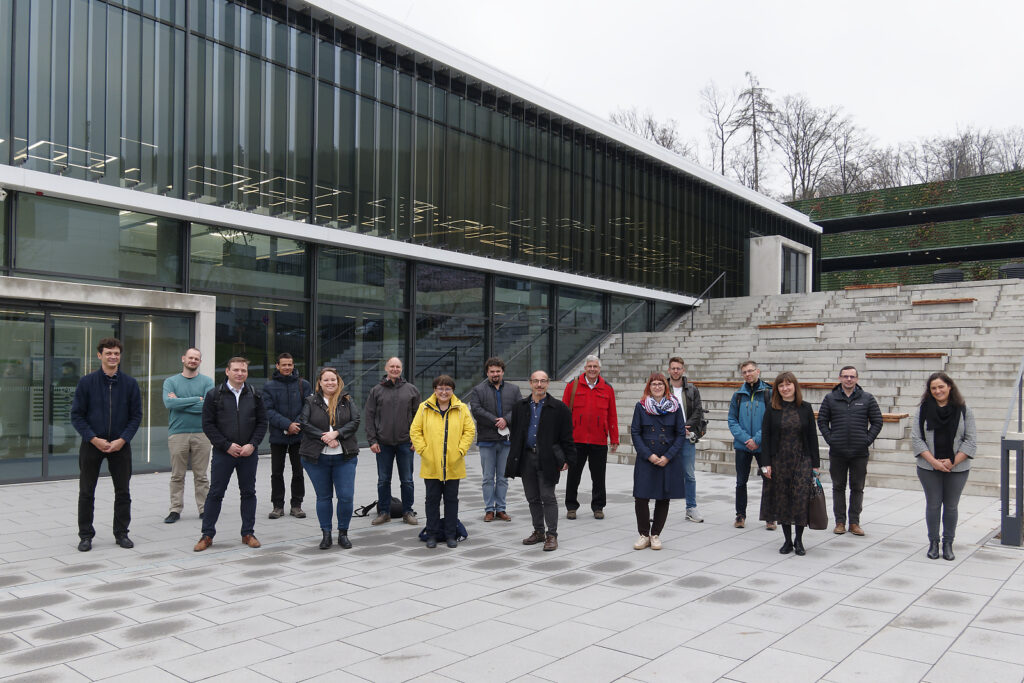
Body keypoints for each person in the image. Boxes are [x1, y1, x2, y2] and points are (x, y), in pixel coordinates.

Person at [71, 338, 142, 552]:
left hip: (120, 445)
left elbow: (136, 416)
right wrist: (93, 438)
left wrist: (123, 440)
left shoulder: (130, 384)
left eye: (116, 353)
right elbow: (77, 415)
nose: (113, 357)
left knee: (123, 491)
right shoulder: (86, 382)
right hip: (92, 444)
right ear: (99, 355)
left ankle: (121, 533)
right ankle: (85, 535)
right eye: (109, 353)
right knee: (86, 491)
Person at [194, 357, 268, 552]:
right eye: (236, 370)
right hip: (224, 453)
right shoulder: (214, 395)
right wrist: (225, 445)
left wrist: (252, 444)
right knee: (216, 493)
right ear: (227, 371)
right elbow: (208, 425)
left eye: (243, 370)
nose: (240, 373)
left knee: (248, 493)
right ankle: (207, 534)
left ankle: (248, 533)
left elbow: (262, 423)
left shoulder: (255, 394)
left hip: (248, 453)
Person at [506, 370, 577, 551]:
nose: (539, 385)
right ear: (530, 383)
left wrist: (568, 458)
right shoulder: (519, 407)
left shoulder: (559, 408)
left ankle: (551, 535)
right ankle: (538, 531)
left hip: (548, 458)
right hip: (526, 457)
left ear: (548, 384)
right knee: (532, 497)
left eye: (543, 381)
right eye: (536, 381)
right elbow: (515, 435)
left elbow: (567, 437)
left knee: (547, 496)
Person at [911, 372, 976, 561]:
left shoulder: (964, 410)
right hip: (928, 467)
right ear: (929, 391)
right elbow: (917, 438)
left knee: (951, 506)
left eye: (941, 386)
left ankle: (948, 543)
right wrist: (933, 462)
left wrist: (952, 461)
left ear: (949, 387)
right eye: (933, 388)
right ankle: (933, 542)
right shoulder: (923, 410)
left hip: (957, 468)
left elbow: (971, 440)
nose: (938, 391)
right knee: (933, 505)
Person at [409, 375, 475, 548]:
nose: (444, 392)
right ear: (435, 390)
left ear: (452, 391)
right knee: (432, 499)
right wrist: (423, 450)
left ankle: (451, 534)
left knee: (451, 500)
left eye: (448, 389)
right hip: (431, 463)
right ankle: (432, 534)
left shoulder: (461, 408)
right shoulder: (424, 408)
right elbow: (415, 431)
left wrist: (460, 450)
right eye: (440, 388)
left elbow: (469, 430)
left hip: (454, 463)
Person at [817, 366, 883, 536]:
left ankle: (854, 522)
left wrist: (866, 440)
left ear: (857, 379)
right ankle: (840, 522)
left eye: (852, 376)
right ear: (839, 378)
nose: (848, 379)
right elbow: (822, 421)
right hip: (837, 452)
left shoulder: (867, 398)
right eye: (845, 376)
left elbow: (877, 421)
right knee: (838, 487)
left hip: (859, 452)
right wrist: (831, 439)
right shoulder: (830, 398)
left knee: (857, 487)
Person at [299, 368, 360, 550]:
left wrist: (337, 434)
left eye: (333, 379)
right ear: (320, 383)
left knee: (346, 497)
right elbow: (304, 423)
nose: (330, 383)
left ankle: (343, 533)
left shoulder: (347, 400)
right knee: (323, 497)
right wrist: (324, 437)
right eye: (326, 380)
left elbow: (355, 421)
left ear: (338, 381)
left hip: (345, 457)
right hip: (317, 458)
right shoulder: (311, 401)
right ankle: (326, 534)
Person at [760, 371, 820, 556]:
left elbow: (812, 437)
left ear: (795, 386)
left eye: (788, 384)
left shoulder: (806, 408)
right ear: (777, 389)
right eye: (781, 385)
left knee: (800, 500)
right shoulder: (772, 409)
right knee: (783, 500)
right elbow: (766, 437)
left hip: (802, 460)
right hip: (779, 461)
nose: (785, 388)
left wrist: (815, 464)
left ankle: (799, 540)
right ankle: (787, 541)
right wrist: (766, 463)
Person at [630, 373, 687, 550]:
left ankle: (655, 535)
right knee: (641, 497)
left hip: (667, 458)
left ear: (665, 386)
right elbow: (635, 432)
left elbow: (681, 434)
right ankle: (643, 534)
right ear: (649, 387)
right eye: (653, 384)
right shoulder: (640, 407)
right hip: (647, 458)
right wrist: (649, 455)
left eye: (660, 384)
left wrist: (668, 456)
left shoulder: (675, 407)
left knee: (663, 497)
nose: (657, 387)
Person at [364, 357, 421, 526]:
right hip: (383, 443)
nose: (395, 369)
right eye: (392, 366)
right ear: (386, 368)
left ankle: (407, 512)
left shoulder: (411, 390)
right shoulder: (376, 390)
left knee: (407, 480)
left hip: (406, 443)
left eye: (398, 366)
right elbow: (369, 416)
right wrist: (372, 440)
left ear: (401, 369)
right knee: (383, 480)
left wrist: (416, 439)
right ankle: (384, 512)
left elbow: (419, 418)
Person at [562, 355, 618, 520]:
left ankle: (598, 507)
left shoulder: (607, 388)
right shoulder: (572, 386)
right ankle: (571, 506)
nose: (592, 369)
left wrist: (614, 438)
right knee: (573, 476)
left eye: (595, 366)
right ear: (584, 368)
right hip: (576, 440)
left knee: (599, 477)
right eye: (589, 366)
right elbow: (564, 414)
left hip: (598, 440)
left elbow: (612, 415)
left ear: (599, 369)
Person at [162, 347, 214, 524]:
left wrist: (180, 402)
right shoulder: (171, 381)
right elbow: (169, 403)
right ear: (183, 359)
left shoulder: (207, 382)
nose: (193, 361)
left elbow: (208, 407)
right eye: (190, 358)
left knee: (201, 476)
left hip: (202, 433)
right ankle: (175, 509)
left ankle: (204, 509)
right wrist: (196, 399)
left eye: (197, 358)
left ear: (200, 362)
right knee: (177, 475)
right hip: (178, 434)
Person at [469, 357, 522, 522]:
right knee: (487, 478)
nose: (495, 374)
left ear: (503, 372)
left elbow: (520, 408)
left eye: (498, 371)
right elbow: (476, 410)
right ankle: (489, 510)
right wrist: (495, 421)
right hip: (487, 441)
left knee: (503, 477)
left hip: (506, 441)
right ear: (487, 372)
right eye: (492, 371)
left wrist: (506, 419)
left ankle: (501, 509)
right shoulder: (478, 390)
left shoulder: (514, 390)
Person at [263, 353, 312, 520]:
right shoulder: (269, 386)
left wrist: (295, 425)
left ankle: (296, 505)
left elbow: (308, 408)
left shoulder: (303, 384)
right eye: (283, 365)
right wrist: (287, 425)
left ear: (293, 365)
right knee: (277, 472)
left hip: (298, 436)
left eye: (289, 365)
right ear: (277, 366)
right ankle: (277, 506)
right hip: (278, 435)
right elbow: (268, 410)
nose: (287, 368)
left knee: (298, 471)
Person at [727, 361, 774, 530]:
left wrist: (757, 439)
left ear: (758, 371)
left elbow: (772, 419)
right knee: (741, 482)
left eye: (750, 371)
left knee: (768, 480)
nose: (748, 374)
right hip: (743, 446)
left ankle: (770, 516)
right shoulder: (738, 395)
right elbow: (732, 420)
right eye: (744, 372)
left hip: (764, 446)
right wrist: (747, 439)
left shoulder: (769, 392)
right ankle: (740, 515)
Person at [667, 357, 706, 523]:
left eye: (678, 368)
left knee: (689, 474)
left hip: (686, 436)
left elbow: (698, 410)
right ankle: (660, 507)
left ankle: (691, 508)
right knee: (663, 473)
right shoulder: (662, 387)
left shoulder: (691, 389)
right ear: (669, 370)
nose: (676, 371)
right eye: (673, 368)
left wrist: (685, 426)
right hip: (667, 437)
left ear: (683, 370)